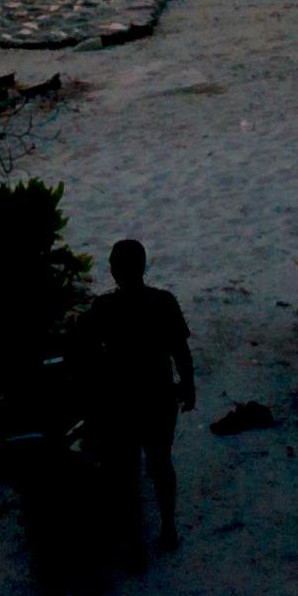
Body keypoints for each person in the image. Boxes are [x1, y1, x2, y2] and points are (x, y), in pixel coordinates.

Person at [66, 235, 199, 556]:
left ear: (115, 271)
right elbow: (181, 350)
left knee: (125, 470)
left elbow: (81, 344)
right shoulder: (163, 302)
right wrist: (189, 385)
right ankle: (168, 528)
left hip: (121, 400)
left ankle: (135, 541)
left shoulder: (106, 307)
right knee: (160, 463)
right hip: (158, 396)